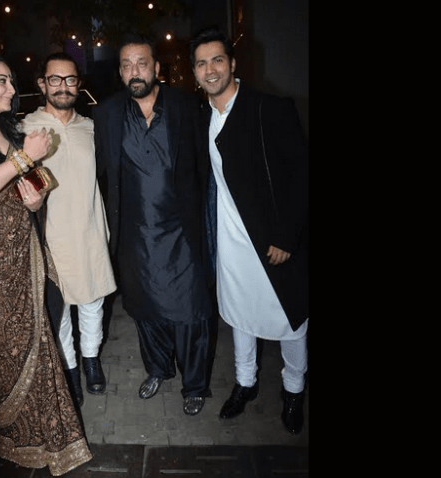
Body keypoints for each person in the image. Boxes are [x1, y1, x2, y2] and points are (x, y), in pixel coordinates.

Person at [0, 51, 93, 474]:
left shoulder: (10, 132)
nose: (11, 89)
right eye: (1, 80)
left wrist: (36, 196)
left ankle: (51, 435)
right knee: (7, 350)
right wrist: (24, 159)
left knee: (43, 331)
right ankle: (19, 438)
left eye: (12, 81)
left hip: (25, 250)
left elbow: (31, 187)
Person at [189, 26, 309, 434]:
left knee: (290, 318)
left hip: (272, 241)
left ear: (233, 63)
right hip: (230, 241)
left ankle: (293, 391)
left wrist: (287, 236)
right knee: (239, 315)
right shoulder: (202, 117)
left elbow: (301, 175)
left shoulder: (268, 108)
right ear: (194, 72)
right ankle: (245, 383)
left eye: (217, 60)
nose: (210, 70)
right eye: (201, 63)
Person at [93, 33, 217, 416]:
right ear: (119, 72)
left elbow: (208, 165)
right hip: (135, 235)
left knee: (192, 311)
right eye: (126, 65)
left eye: (142, 63)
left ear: (156, 68)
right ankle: (159, 369)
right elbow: (95, 169)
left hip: (182, 232)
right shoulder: (107, 114)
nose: (135, 71)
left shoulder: (186, 106)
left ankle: (194, 385)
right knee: (145, 310)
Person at [21, 52, 116, 409]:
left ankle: (91, 361)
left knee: (92, 302)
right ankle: (70, 370)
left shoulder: (91, 128)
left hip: (90, 229)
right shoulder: (26, 129)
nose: (63, 86)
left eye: (70, 79)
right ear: (42, 83)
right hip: (52, 236)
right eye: (55, 79)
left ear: (79, 84)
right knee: (58, 311)